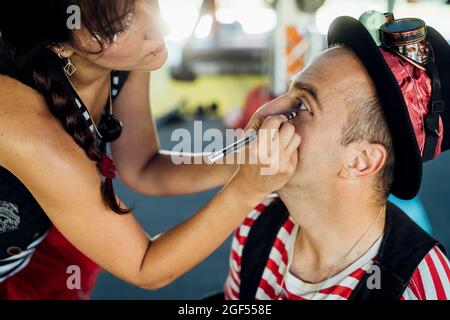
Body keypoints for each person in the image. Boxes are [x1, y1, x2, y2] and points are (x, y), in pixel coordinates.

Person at [0, 0, 302, 299]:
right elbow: (144, 265)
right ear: (61, 45)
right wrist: (247, 187)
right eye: (118, 26)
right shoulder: (27, 129)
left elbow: (142, 166)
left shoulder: (125, 55)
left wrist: (247, 158)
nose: (161, 28)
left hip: (27, 248)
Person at [223, 13, 450, 300]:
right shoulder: (256, 221)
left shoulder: (417, 289)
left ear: (362, 160)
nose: (268, 112)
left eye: (303, 105)